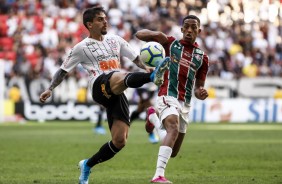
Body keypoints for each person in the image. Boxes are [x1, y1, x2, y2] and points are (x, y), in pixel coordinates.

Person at [39, 6, 170, 184]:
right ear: (89, 24)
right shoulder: (81, 48)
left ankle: (87, 164)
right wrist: (50, 88)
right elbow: (63, 71)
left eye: (105, 18)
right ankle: (152, 77)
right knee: (119, 75)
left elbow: (136, 58)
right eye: (100, 19)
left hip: (117, 89)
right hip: (99, 86)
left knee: (119, 141)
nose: (105, 21)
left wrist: (146, 67)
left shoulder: (115, 40)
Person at [136, 14, 209, 183]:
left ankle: (153, 118)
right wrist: (156, 35)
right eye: (186, 27)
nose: (189, 30)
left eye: (193, 27)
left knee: (174, 150)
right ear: (182, 29)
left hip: (185, 103)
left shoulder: (202, 58)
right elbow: (139, 35)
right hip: (167, 95)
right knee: (173, 129)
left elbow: (198, 87)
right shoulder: (171, 44)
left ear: (199, 30)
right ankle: (158, 175)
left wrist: (201, 93)